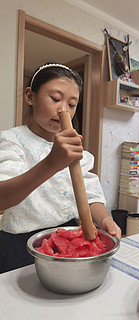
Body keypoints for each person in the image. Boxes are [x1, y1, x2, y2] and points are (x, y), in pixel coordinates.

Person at [0, 63, 121, 273]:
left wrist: (104, 220)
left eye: (72, 104)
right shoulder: (12, 140)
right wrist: (51, 163)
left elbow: (90, 195)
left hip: (70, 238)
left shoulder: (75, 149)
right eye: (55, 99)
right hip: (21, 246)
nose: (63, 109)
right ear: (30, 96)